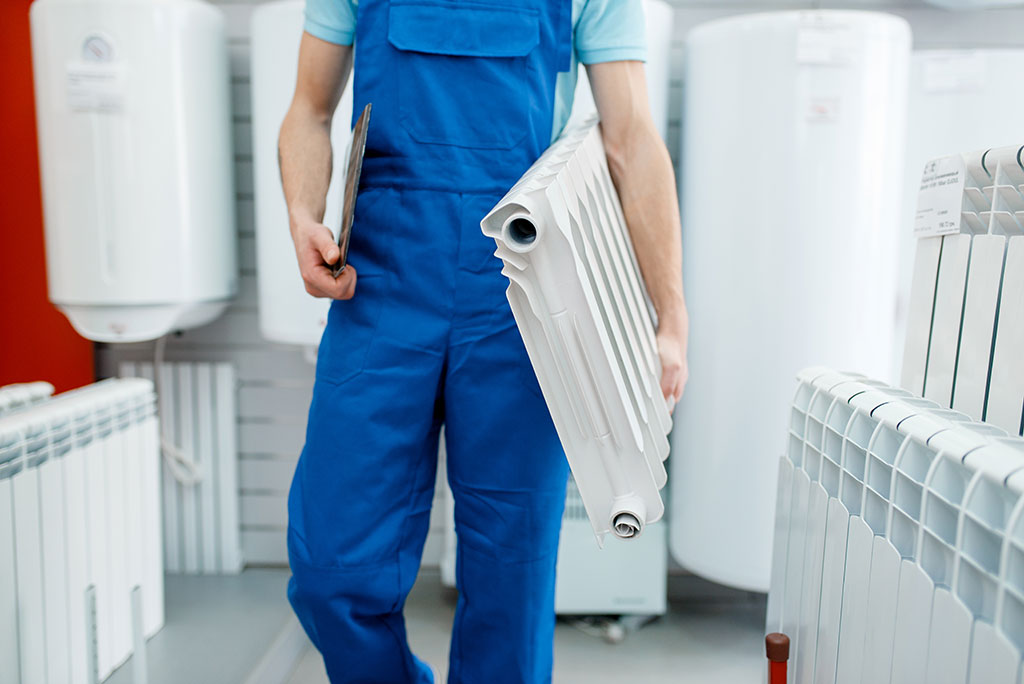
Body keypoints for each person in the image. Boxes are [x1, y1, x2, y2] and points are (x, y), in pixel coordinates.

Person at [278, 1, 689, 682]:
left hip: (521, 298)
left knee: (511, 584)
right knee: (331, 567)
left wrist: (670, 313)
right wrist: (301, 213)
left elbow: (632, 137)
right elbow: (310, 109)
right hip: (378, 286)